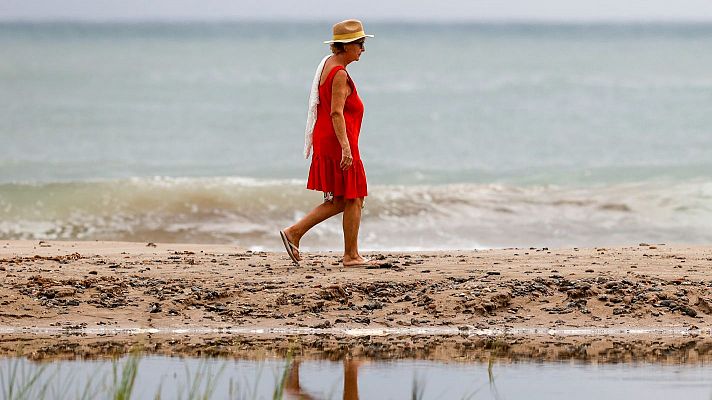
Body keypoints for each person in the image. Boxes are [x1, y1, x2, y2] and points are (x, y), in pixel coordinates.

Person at [280, 19, 375, 267]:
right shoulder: (339, 73)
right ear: (346, 46)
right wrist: (346, 147)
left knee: (342, 199)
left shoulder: (328, 65)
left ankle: (294, 233)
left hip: (329, 139)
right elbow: (336, 112)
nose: (363, 49)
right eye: (360, 44)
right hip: (338, 141)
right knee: (354, 197)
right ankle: (351, 255)